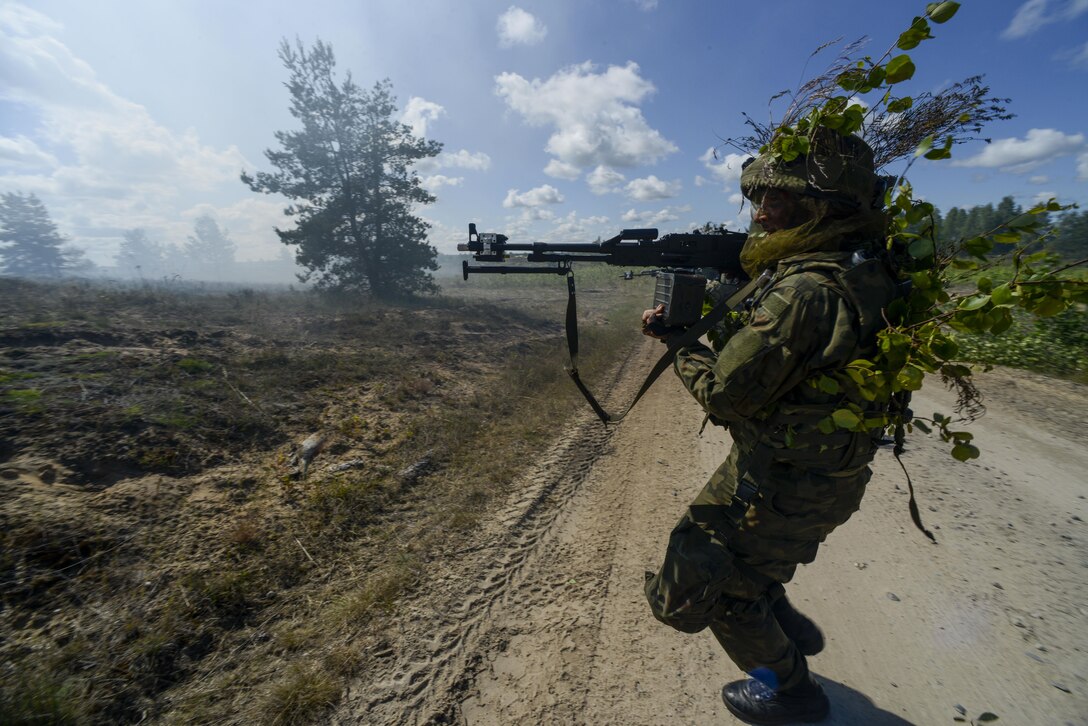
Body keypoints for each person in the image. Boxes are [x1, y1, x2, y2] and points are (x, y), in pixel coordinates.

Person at [641, 130, 898, 724]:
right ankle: (780, 619)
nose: (760, 214)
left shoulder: (804, 290)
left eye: (777, 202)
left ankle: (791, 693)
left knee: (713, 589)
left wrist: (678, 341)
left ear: (822, 207)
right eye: (759, 200)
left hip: (782, 479)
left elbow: (727, 397)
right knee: (754, 564)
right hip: (825, 467)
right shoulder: (865, 268)